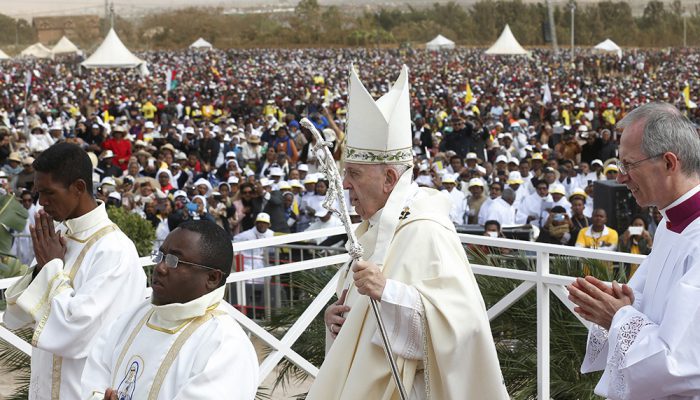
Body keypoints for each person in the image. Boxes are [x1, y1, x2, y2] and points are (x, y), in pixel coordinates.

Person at [307, 65, 507, 399]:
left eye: (354, 173)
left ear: (389, 179)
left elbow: (463, 325)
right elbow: (360, 312)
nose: (345, 184)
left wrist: (388, 291)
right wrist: (338, 319)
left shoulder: (426, 229)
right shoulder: (373, 227)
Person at [568, 102, 700, 399]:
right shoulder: (670, 223)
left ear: (669, 162)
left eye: (629, 165)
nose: (620, 177)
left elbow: (679, 366)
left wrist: (619, 317)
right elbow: (657, 308)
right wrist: (624, 304)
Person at [3, 143, 147, 400]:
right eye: (38, 193)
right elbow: (19, 314)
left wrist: (51, 268)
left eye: (48, 193)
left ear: (78, 188)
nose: (41, 203)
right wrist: (41, 270)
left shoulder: (114, 250)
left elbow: (75, 329)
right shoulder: (62, 237)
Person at [81, 220, 258, 400]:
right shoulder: (135, 315)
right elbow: (95, 375)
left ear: (212, 278)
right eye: (160, 256)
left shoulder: (225, 344)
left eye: (174, 261)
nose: (160, 267)